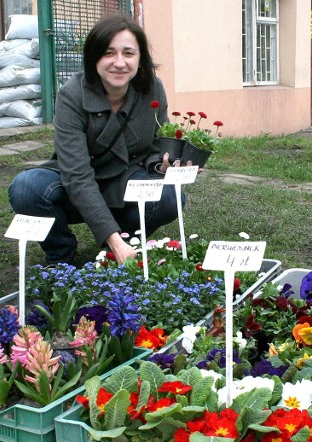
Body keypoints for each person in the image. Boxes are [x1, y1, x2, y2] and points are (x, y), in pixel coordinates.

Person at [9, 14, 185, 266]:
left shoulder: (152, 89)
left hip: (126, 179)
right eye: (108, 53)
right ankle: (61, 254)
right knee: (26, 188)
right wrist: (111, 238)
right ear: (93, 57)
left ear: (140, 58)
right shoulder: (72, 94)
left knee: (170, 196)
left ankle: (125, 242)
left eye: (128, 53)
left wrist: (164, 165)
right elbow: (77, 174)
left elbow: (157, 146)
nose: (119, 63)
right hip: (75, 181)